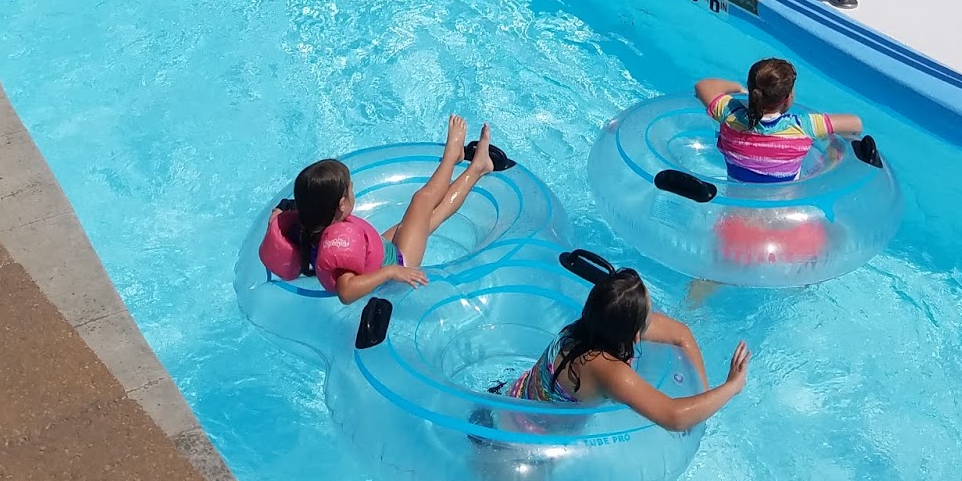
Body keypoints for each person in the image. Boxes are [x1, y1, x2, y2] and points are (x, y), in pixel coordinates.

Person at [261, 115, 497, 303]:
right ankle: (452, 155)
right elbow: (346, 292)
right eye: (351, 189)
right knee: (422, 200)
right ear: (341, 204)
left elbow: (284, 211)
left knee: (433, 216)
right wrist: (391, 272)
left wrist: (279, 214)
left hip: (380, 252)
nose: (353, 190)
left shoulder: (310, 222)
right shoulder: (336, 248)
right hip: (400, 262)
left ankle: (479, 167)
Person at [501, 262, 748, 432]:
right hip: (524, 436)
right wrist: (732, 386)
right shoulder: (605, 369)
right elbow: (674, 417)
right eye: (647, 318)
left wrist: (702, 394)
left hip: (513, 397)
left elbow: (681, 334)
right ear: (634, 335)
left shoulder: (594, 325)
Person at [694, 57, 863, 183]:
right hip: (781, 214)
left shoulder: (730, 115)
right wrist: (838, 145)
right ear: (788, 98)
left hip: (738, 211)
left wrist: (739, 88)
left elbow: (704, 85)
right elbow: (855, 123)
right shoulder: (804, 126)